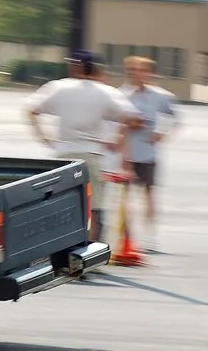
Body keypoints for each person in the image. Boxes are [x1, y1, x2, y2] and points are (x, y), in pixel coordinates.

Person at [25, 50, 141, 244]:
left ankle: (57, 248)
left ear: (74, 67)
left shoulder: (58, 87)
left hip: (62, 153)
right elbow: (134, 119)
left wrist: (44, 137)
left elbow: (31, 109)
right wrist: (117, 137)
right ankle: (91, 253)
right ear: (96, 69)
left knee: (59, 203)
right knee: (94, 206)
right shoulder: (106, 92)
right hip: (90, 154)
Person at [118, 55, 180, 252]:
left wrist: (162, 134)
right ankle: (125, 236)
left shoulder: (161, 96)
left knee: (148, 194)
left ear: (151, 73)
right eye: (134, 70)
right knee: (124, 196)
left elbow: (175, 117)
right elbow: (112, 119)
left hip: (147, 152)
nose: (137, 74)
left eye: (142, 70)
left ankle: (149, 236)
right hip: (125, 153)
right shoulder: (121, 94)